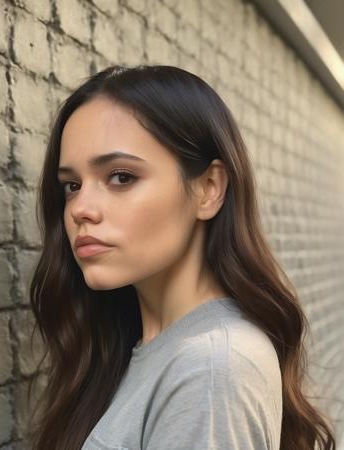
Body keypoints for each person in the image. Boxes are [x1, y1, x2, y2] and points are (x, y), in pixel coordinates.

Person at [27, 65, 336, 450]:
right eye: (71, 185)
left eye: (121, 177)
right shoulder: (133, 346)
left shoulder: (210, 368)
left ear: (208, 189)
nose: (80, 209)